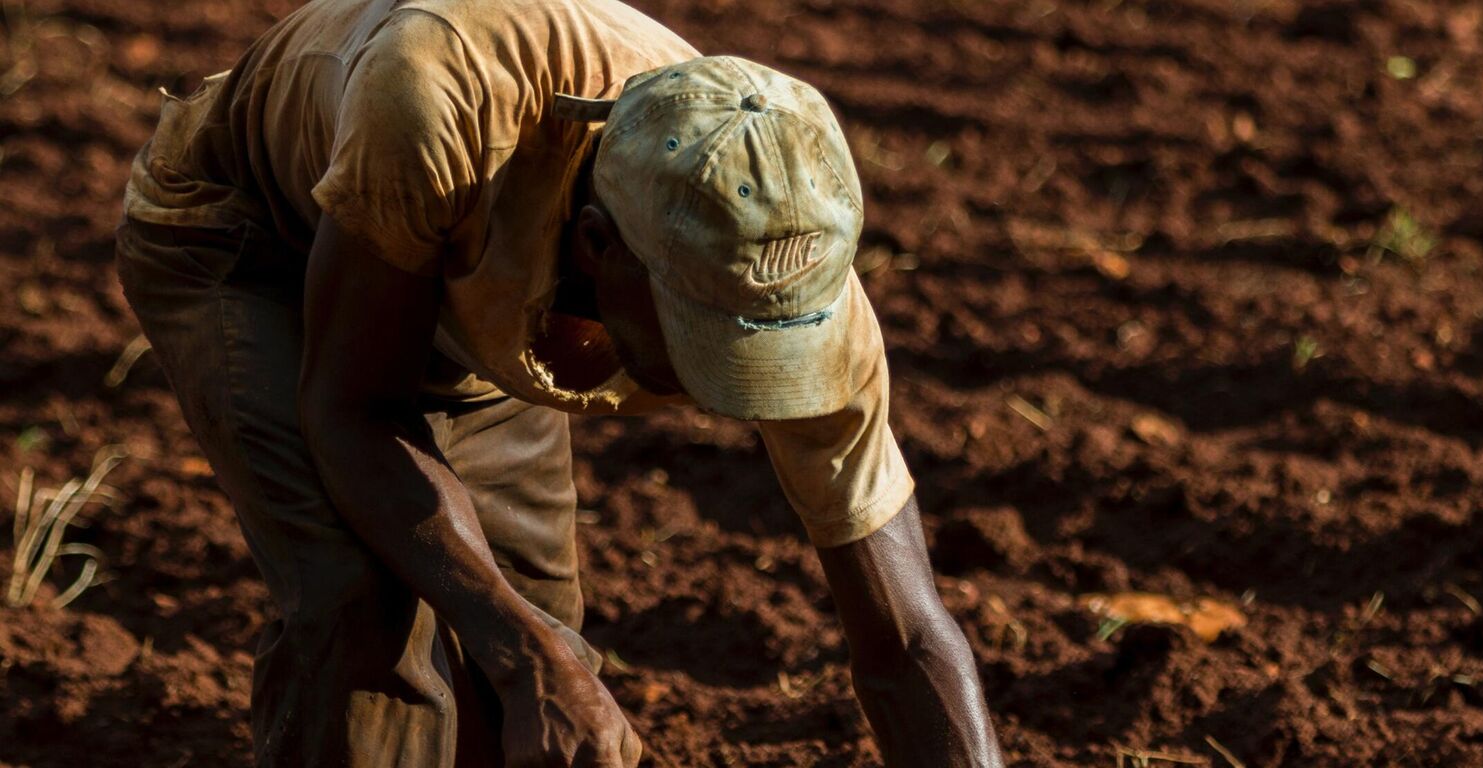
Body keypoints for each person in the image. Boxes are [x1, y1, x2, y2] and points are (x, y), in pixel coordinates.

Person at [115, 0, 1005, 765]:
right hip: (254, 233)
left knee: (543, 642)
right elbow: (352, 410)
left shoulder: (790, 264)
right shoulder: (435, 98)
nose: (722, 388)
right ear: (596, 248)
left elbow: (907, 635)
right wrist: (520, 652)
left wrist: (530, 647)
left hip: (471, 282)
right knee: (366, 610)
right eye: (701, 337)